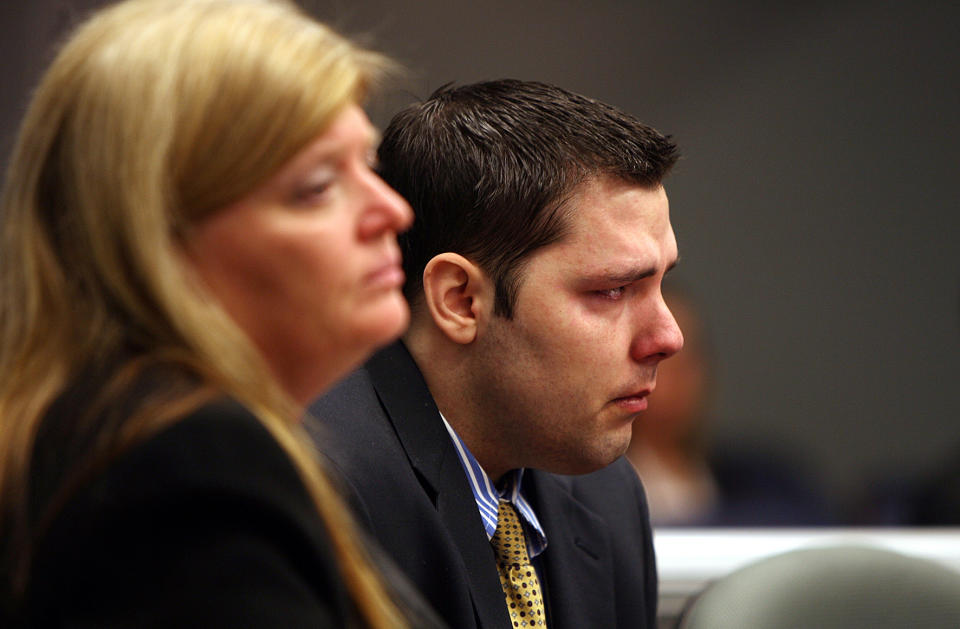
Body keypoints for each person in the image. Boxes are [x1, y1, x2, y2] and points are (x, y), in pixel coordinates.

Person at [0, 1, 441, 627]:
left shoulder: (94, 432)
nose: (393, 212)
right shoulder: (187, 461)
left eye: (367, 167)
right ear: (155, 238)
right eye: (317, 187)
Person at [309, 79, 683, 629]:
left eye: (660, 283)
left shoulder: (605, 493)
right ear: (461, 301)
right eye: (611, 291)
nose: (668, 337)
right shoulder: (321, 491)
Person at [627, 287, 832, 526]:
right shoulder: (593, 495)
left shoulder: (768, 483)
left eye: (689, 359)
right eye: (658, 360)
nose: (678, 379)